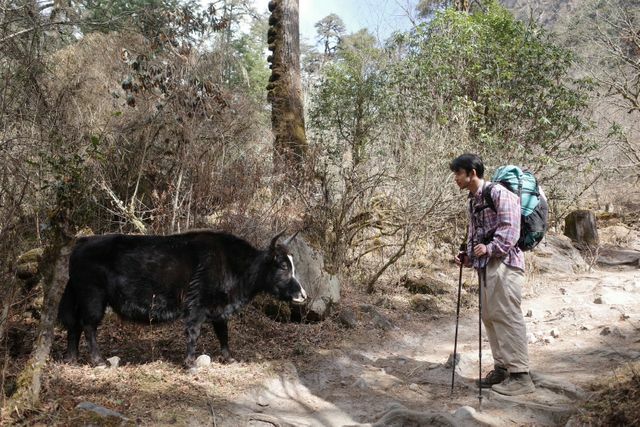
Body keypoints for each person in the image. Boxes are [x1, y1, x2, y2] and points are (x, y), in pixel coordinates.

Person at [450, 153, 535, 396]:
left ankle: (521, 375)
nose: (455, 178)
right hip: (486, 266)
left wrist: (489, 248)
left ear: (472, 173)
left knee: (507, 315)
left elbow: (511, 230)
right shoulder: (472, 200)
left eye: (458, 173)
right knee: (490, 316)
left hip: (506, 264)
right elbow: (475, 234)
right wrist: (467, 255)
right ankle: (503, 370)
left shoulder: (499, 193)